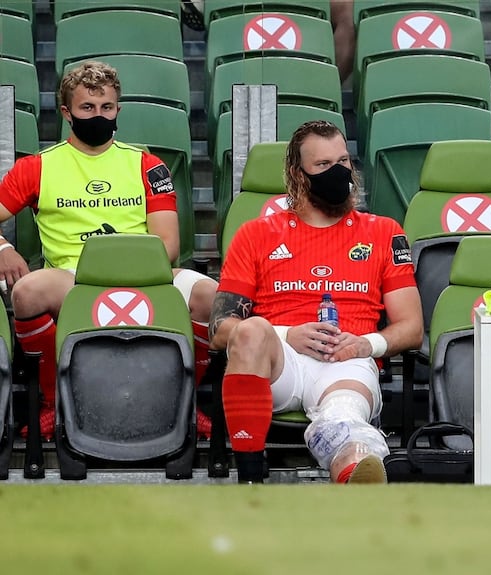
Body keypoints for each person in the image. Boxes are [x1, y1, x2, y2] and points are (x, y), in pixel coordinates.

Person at [0, 61, 219, 440]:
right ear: (67, 113)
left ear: (118, 110)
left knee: (210, 296)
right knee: (27, 292)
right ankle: (56, 403)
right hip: (73, 279)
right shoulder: (36, 168)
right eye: (87, 108)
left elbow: (168, 247)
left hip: (148, 276)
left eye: (106, 108)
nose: (98, 116)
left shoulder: (149, 166)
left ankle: (185, 402)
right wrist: (2, 246)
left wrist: (131, 267)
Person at [209, 120, 422, 484]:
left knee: (344, 423)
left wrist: (365, 344)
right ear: (297, 174)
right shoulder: (257, 233)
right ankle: (247, 478)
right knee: (251, 330)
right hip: (280, 360)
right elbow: (219, 328)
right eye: (323, 166)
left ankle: (356, 474)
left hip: (347, 357)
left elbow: (412, 328)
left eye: (343, 162)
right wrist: (286, 334)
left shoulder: (384, 232)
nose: (338, 173)